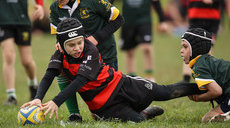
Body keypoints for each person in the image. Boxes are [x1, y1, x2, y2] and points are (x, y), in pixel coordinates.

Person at [21, 18, 203, 122]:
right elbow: (48, 75)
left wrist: (56, 101)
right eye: (71, 45)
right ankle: (145, 113)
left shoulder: (90, 49)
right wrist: (37, 98)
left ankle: (206, 88)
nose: (77, 48)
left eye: (79, 42)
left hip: (122, 85)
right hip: (103, 105)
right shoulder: (59, 55)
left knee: (166, 92)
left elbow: (80, 81)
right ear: (61, 45)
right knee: (137, 121)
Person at [44, 0, 124, 122]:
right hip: (76, 59)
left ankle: (141, 109)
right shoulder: (55, 9)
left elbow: (119, 19)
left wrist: (96, 38)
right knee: (60, 68)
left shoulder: (93, 0)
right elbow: (58, 35)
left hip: (105, 55)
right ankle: (74, 114)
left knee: (105, 114)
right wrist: (59, 43)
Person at [167, 0, 227, 83]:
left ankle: (209, 80)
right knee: (187, 45)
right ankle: (185, 80)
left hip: (211, 20)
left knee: (208, 50)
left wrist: (212, 0)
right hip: (195, 19)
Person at [107, 0, 168, 81]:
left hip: (144, 20)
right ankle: (132, 77)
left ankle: (150, 76)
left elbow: (156, 1)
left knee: (146, 47)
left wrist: (162, 21)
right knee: (130, 51)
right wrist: (106, 16)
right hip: (127, 21)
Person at [0, 0, 44, 105]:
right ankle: (11, 96)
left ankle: (33, 85)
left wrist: (40, 5)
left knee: (27, 61)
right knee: (8, 55)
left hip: (22, 21)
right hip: (4, 21)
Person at [180, 28, 230, 122]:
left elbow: (216, 91)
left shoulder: (198, 67)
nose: (181, 51)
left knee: (206, 119)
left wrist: (199, 98)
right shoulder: (207, 60)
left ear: (195, 48)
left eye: (185, 47)